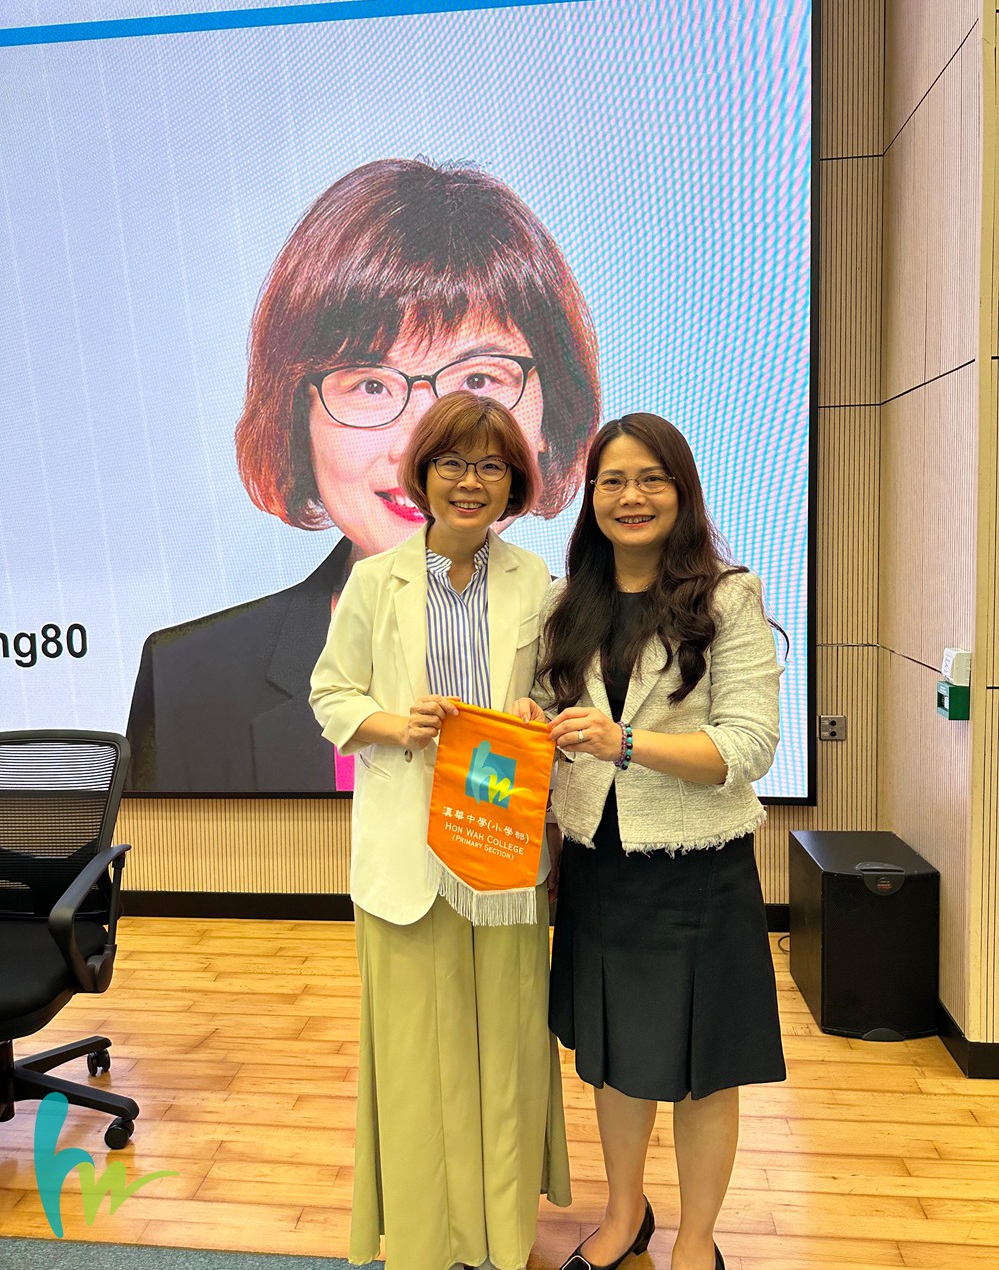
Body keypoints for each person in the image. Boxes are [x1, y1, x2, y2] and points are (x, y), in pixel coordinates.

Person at [126, 158, 599, 791]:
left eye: (478, 379)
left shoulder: (620, 656)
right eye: (372, 384)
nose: (423, 450)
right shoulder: (190, 682)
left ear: (551, 415)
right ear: (298, 419)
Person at [516, 413, 785, 1270]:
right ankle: (623, 1212)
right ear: (590, 496)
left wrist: (626, 743)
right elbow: (546, 714)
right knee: (612, 1056)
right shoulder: (565, 605)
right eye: (612, 481)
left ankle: (696, 1239)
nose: (630, 497)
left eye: (649, 479)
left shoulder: (727, 597)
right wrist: (528, 721)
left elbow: (748, 746)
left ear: (681, 490)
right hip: (596, 867)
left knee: (707, 1064)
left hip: (698, 869)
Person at [309, 391, 571, 1270]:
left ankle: (499, 1237)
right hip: (405, 858)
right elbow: (331, 695)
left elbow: (561, 694)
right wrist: (397, 724)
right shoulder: (375, 580)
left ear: (515, 483)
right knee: (417, 1059)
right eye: (452, 462)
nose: (470, 481)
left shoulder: (535, 581)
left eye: (491, 465)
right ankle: (425, 1242)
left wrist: (539, 712)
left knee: (504, 1051)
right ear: (421, 474)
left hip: (500, 847)